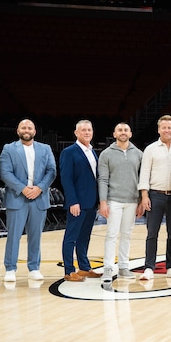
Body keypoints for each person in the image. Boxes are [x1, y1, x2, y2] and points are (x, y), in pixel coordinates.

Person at [0, 119, 56, 282]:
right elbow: (5, 173)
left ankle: (34, 267)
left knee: (35, 235)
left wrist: (39, 188)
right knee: (13, 235)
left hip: (39, 197)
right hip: (17, 197)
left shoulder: (45, 149)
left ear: (34, 131)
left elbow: (52, 171)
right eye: (23, 127)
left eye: (29, 127)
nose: (26, 130)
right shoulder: (9, 148)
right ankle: (10, 268)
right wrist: (23, 189)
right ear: (18, 131)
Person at [97, 122, 144, 282]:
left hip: (132, 201)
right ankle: (108, 268)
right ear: (114, 134)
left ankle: (124, 267)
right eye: (120, 130)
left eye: (126, 130)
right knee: (111, 234)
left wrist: (140, 201)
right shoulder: (106, 154)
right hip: (113, 200)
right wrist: (103, 201)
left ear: (130, 134)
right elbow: (102, 179)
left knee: (127, 234)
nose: (123, 132)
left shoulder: (138, 154)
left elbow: (142, 180)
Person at [138, 115, 171, 280]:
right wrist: (144, 195)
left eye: (169, 127)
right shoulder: (150, 149)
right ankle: (149, 267)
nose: (167, 130)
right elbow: (144, 173)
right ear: (159, 129)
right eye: (164, 127)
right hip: (155, 195)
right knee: (152, 233)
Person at [59, 119, 99, 282]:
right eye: (83, 130)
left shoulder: (92, 151)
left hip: (91, 202)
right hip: (77, 203)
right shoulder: (69, 152)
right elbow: (66, 179)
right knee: (71, 237)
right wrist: (72, 201)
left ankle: (84, 267)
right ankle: (69, 270)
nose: (87, 132)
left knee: (84, 237)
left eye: (89, 130)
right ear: (76, 133)